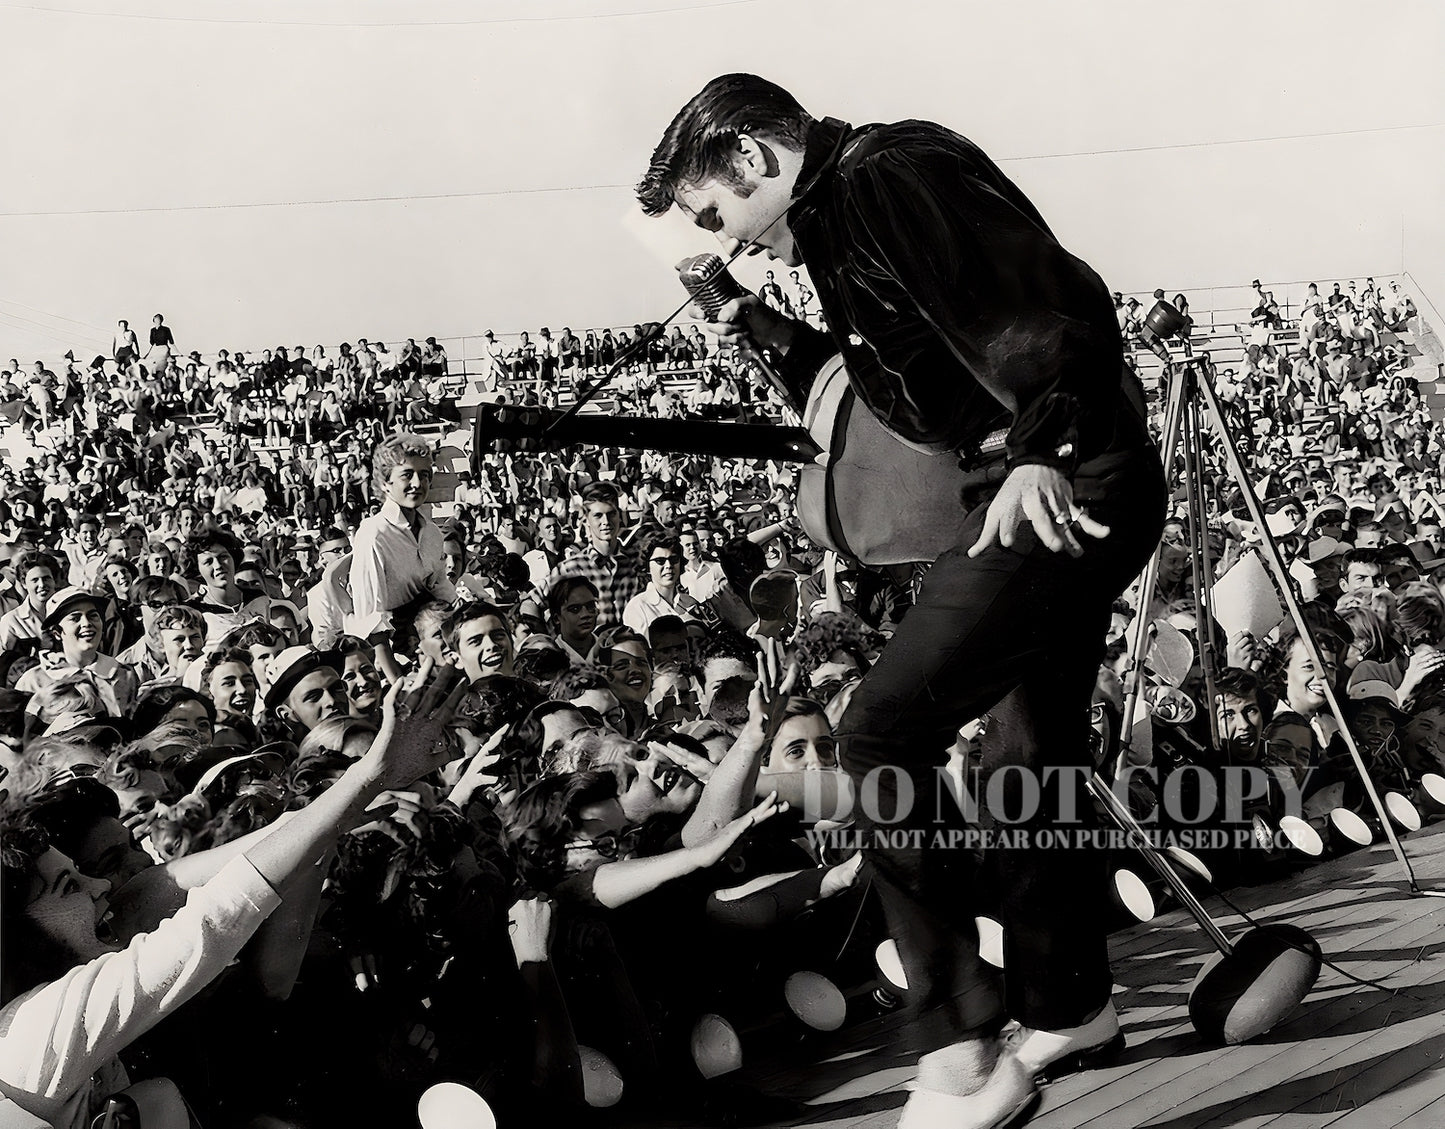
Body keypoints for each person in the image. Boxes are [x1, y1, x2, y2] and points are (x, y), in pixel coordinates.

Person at [639, 74, 1165, 1122]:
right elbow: (890, 388)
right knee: (1026, 752)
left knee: (878, 732)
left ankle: (961, 1046)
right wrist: (748, 320)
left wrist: (1043, 446)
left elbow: (1053, 304)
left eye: (713, 213)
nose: (725, 239)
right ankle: (1065, 1004)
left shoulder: (889, 175)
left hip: (1054, 480)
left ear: (751, 159)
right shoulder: (840, 217)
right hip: (1036, 475)